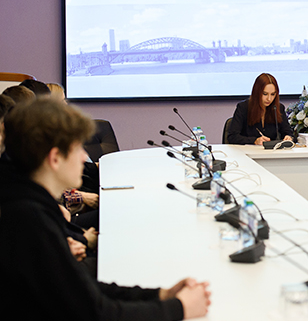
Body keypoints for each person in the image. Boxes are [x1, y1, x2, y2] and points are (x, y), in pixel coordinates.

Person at [0, 98, 211, 319]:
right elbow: (97, 313)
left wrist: (162, 295)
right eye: (77, 148)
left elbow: (83, 289)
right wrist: (180, 308)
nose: (84, 156)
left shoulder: (28, 203)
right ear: (55, 158)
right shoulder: (29, 219)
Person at [226, 73, 293, 145]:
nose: (269, 99)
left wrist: (289, 137)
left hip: (271, 151)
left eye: (273, 94)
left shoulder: (278, 108)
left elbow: (290, 133)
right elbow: (232, 137)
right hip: (247, 150)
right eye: (265, 94)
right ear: (257, 92)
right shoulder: (243, 107)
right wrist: (254, 141)